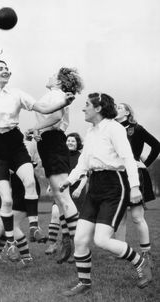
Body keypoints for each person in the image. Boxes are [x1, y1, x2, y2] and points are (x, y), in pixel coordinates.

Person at [0, 52, 75, 261]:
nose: (6, 70)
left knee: (29, 181)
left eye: (7, 68)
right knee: (6, 200)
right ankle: (10, 243)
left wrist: (63, 102)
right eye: (0, 68)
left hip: (14, 142)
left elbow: (43, 108)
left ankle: (34, 227)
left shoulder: (16, 93)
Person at [60, 93, 152, 297]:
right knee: (81, 239)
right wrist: (69, 180)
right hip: (95, 186)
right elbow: (84, 161)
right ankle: (84, 282)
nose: (83, 109)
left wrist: (135, 187)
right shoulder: (91, 131)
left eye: (86, 105)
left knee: (102, 240)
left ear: (99, 108)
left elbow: (128, 158)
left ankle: (140, 262)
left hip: (115, 186)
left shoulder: (114, 128)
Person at [27, 68, 84, 264]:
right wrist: (38, 133)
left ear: (59, 82)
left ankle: (79, 246)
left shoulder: (57, 94)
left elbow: (56, 117)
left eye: (53, 75)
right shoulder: (53, 94)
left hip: (54, 144)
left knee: (64, 197)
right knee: (59, 200)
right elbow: (48, 120)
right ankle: (67, 241)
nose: (49, 76)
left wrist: (37, 128)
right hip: (48, 142)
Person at [115, 102, 160, 266]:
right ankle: (120, 251)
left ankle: (146, 253)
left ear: (127, 112)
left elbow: (157, 145)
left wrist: (145, 163)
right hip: (117, 175)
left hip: (134, 175)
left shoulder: (137, 129)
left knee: (136, 217)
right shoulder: (112, 128)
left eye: (119, 107)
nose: (116, 109)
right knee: (119, 217)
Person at [45, 132, 87, 264]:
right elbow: (55, 172)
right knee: (56, 214)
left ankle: (76, 251)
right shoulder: (61, 156)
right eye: (68, 140)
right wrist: (50, 185)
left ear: (77, 143)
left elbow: (85, 175)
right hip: (61, 190)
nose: (70, 143)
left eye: (73, 141)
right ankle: (54, 244)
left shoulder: (81, 157)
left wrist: (80, 189)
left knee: (72, 223)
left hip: (75, 191)